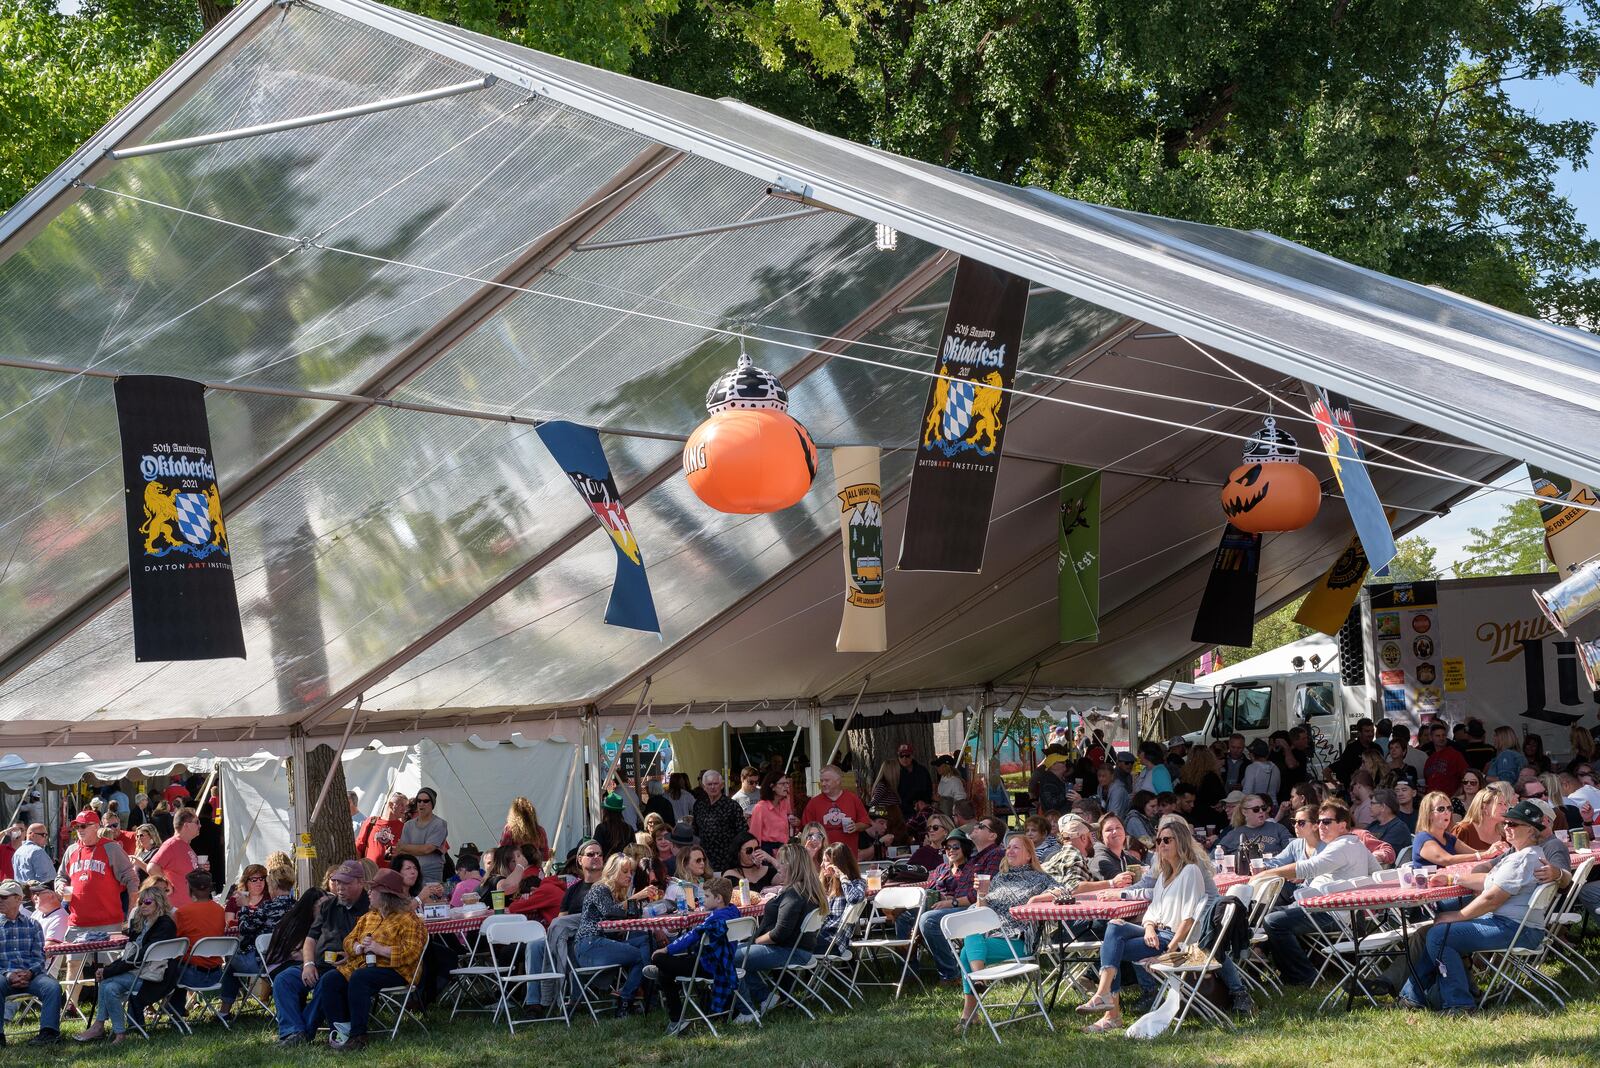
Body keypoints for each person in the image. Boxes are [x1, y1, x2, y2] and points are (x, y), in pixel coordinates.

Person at [1077, 817, 1250, 1031]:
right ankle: (1106, 998)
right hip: (1157, 932)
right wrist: (1148, 926)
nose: (1161, 845)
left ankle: (1111, 1013)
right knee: (1114, 926)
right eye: (1158, 841)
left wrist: (1168, 951)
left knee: (1111, 947)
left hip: (1173, 938)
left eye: (1167, 840)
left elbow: (1188, 919)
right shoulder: (1164, 873)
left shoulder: (1191, 871)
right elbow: (1153, 908)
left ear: (1181, 842)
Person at [1399, 800, 1552, 1012]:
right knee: (1436, 932)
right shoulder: (1525, 855)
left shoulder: (1522, 859)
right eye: (1506, 822)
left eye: (1513, 824)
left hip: (1517, 929)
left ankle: (1459, 1004)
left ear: (1530, 829)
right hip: (1518, 926)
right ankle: (1414, 997)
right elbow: (1490, 880)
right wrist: (1453, 879)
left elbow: (1492, 899)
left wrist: (1458, 915)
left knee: (1439, 935)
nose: (1506, 827)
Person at [1252, 801, 1384, 986]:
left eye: (1327, 822)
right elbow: (1378, 873)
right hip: (1337, 910)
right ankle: (1262, 963)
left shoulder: (1342, 846)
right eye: (1320, 821)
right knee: (1266, 913)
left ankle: (1303, 976)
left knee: (1273, 921)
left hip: (1331, 913)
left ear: (1343, 825)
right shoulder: (1355, 844)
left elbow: (1309, 867)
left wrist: (1266, 874)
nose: (1321, 826)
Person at [306, 868, 425, 1051]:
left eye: (373, 890)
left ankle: (358, 1035)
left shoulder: (408, 920)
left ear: (386, 895)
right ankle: (339, 1032)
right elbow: (348, 941)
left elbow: (411, 954)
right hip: (364, 967)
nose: (369, 893)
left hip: (397, 971)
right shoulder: (369, 917)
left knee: (360, 977)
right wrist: (358, 947)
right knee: (330, 979)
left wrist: (381, 949)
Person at [955, 835, 1054, 1028]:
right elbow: (982, 910)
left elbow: (1063, 891)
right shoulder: (999, 879)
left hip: (1020, 940)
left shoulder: (1041, 878)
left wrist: (1037, 900)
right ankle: (979, 980)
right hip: (993, 937)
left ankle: (970, 1011)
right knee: (972, 931)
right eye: (1008, 847)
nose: (1010, 851)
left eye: (1016, 848)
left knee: (967, 953)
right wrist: (981, 894)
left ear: (1028, 855)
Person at [273, 861, 368, 1046]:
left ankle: (302, 1035)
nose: (340, 887)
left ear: (360, 883)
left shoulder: (370, 908)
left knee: (327, 983)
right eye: (337, 882)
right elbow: (310, 939)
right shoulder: (328, 906)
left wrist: (352, 956)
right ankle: (293, 1031)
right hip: (318, 964)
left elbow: (373, 942)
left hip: (348, 968)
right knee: (283, 979)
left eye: (346, 883)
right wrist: (308, 964)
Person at [899, 818, 1004, 982]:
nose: (975, 827)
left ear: (992, 836)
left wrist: (952, 902)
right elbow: (961, 890)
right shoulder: (976, 859)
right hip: (962, 906)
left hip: (979, 909)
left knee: (929, 920)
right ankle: (909, 971)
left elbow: (984, 893)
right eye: (947, 847)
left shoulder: (995, 854)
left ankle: (950, 975)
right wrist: (949, 899)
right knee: (904, 916)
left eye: (980, 826)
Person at [73, 884, 179, 1045]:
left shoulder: (165, 925)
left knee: (108, 984)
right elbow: (131, 957)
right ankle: (108, 1029)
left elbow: (138, 958)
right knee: (108, 984)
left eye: (148, 902)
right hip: (139, 972)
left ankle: (112, 1031)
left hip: (155, 977)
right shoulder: (140, 923)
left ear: (159, 902)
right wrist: (108, 970)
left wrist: (108, 970)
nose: (143, 905)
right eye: (141, 902)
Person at [733, 843, 826, 1022]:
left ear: (793, 866)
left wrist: (753, 943)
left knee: (731, 957)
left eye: (781, 863)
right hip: (798, 949)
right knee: (735, 953)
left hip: (790, 951)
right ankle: (764, 996)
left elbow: (779, 934)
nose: (778, 866)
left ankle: (747, 1012)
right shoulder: (806, 889)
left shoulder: (794, 894)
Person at [648, 875, 740, 1035]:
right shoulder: (733, 912)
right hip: (725, 964)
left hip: (709, 967)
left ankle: (677, 1020)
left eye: (706, 896)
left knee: (658, 959)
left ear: (718, 898)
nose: (702, 899)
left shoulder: (715, 921)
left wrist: (666, 950)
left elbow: (690, 937)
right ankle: (676, 1020)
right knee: (666, 971)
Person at [576, 855, 655, 1017]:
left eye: (631, 872)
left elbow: (625, 919)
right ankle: (628, 999)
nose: (629, 876)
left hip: (604, 943)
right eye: (624, 871)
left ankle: (643, 992)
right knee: (640, 954)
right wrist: (635, 898)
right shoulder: (600, 888)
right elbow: (611, 912)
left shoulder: (615, 893)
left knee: (648, 941)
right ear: (612, 871)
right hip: (590, 945)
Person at [219, 863, 293, 1018]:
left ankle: (224, 1011)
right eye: (254, 880)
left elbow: (246, 928)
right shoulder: (298, 906)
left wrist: (245, 907)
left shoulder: (268, 906)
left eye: (264, 880)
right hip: (290, 959)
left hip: (265, 961)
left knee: (230, 961)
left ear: (272, 885)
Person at [0, 879, 62, 1045]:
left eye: (4, 897)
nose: (0, 900)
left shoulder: (33, 925)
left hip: (31, 975)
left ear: (18, 899)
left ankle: (49, 1033)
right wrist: (9, 974)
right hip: (3, 975)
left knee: (52, 986)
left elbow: (39, 957)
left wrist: (30, 973)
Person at [172, 869, 227, 1011]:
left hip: (191, 976)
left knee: (169, 964)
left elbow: (173, 941)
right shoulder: (220, 911)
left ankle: (175, 1010)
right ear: (210, 888)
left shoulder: (182, 912)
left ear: (190, 889)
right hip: (217, 975)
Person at [1411, 790, 1502, 867]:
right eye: (1441, 809)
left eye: (1449, 808)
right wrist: (1485, 854)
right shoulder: (1422, 838)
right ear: (1428, 814)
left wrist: (1497, 851)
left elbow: (1475, 853)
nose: (1447, 812)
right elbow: (1446, 859)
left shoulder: (1448, 837)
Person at [801, 765, 870, 851]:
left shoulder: (853, 799)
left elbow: (866, 822)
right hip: (823, 855)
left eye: (827, 780)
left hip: (847, 853)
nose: (823, 784)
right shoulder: (814, 803)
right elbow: (806, 829)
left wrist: (856, 826)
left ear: (838, 781)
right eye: (821, 781)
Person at [145, 807, 202, 909]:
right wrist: (167, 885)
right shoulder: (171, 845)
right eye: (197, 822)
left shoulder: (185, 845)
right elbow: (152, 867)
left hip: (189, 907)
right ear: (186, 825)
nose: (200, 825)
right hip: (176, 908)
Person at [692, 771, 748, 873]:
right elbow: (695, 830)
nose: (713, 787)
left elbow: (743, 833)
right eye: (709, 784)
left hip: (727, 860)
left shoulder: (732, 806)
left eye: (715, 783)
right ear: (704, 787)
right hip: (704, 859)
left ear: (722, 785)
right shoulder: (699, 805)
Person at [816, 843, 866, 955]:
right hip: (818, 934)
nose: (822, 865)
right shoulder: (825, 885)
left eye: (826, 861)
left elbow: (854, 899)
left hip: (834, 941)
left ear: (838, 864)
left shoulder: (857, 883)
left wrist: (842, 877)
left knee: (792, 945)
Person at [396, 787, 448, 886]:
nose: (421, 804)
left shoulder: (439, 824)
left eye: (425, 801)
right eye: (418, 801)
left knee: (430, 900)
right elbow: (402, 852)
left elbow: (427, 849)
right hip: (410, 876)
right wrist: (404, 849)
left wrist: (404, 847)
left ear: (432, 804)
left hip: (431, 876)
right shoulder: (408, 825)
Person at [1216, 793, 1293, 856]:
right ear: (1244, 812)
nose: (1261, 811)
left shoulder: (1278, 828)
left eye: (1263, 808)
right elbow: (1215, 855)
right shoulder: (1234, 833)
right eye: (1256, 809)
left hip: (1274, 871)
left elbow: (1292, 851)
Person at [354, 792, 408, 867]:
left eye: (406, 806)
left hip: (390, 874)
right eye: (401, 805)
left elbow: (407, 852)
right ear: (391, 805)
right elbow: (358, 847)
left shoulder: (404, 828)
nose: (404, 809)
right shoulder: (371, 822)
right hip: (369, 872)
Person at [1454, 784, 1511, 851]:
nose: (1505, 808)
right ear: (1484, 807)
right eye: (1500, 804)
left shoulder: (1506, 834)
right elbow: (1449, 858)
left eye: (1505, 804)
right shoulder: (1464, 830)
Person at [749, 773, 795, 854]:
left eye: (787, 783)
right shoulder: (760, 808)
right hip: (767, 853)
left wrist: (796, 822)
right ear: (772, 786)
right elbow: (754, 836)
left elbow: (790, 822)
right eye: (782, 784)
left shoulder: (784, 802)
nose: (787, 786)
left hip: (784, 851)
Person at [1178, 745, 1227, 818]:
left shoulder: (1185, 775)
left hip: (1191, 813)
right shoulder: (1211, 777)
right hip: (1210, 815)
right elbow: (1219, 797)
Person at [560, 840, 606, 915]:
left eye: (600, 854)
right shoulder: (572, 890)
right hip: (574, 925)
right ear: (580, 860)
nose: (596, 857)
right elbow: (562, 919)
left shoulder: (611, 885)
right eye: (591, 854)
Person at [500, 797, 549, 865]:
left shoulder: (510, 829)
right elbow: (545, 856)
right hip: (535, 869)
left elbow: (502, 853)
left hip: (517, 869)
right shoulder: (540, 831)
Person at [1423, 721, 1468, 796]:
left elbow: (1467, 777)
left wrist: (1455, 797)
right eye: (1438, 736)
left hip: (1449, 801)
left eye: (1443, 735)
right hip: (1432, 802)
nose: (1441, 738)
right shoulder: (1429, 759)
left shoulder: (1455, 755)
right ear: (1431, 738)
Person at [1365, 789, 1412, 854]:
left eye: (1372, 803)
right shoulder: (1373, 825)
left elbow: (1385, 852)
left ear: (1383, 807)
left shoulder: (1398, 828)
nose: (1369, 807)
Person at [665, 845, 712, 909]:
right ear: (685, 864)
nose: (702, 863)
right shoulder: (676, 887)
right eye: (698, 860)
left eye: (703, 860)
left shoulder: (709, 883)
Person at [1238, 740, 1281, 805]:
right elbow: (1277, 790)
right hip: (1273, 806)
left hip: (1257, 808)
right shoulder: (1275, 768)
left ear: (1252, 755)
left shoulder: (1251, 768)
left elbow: (1247, 792)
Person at [896, 744, 934, 810]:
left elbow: (929, 788)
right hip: (902, 810)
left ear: (912, 756)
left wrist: (925, 802)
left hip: (922, 808)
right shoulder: (895, 772)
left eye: (907, 756)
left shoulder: (922, 770)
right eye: (901, 756)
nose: (904, 758)